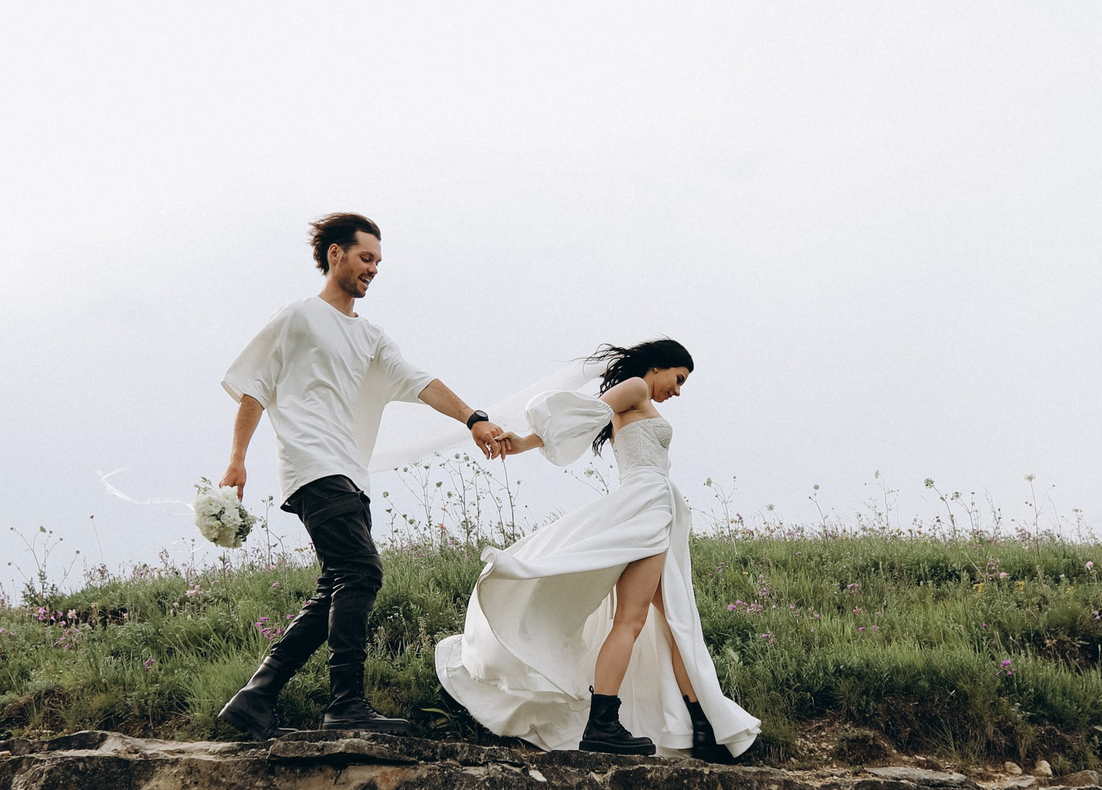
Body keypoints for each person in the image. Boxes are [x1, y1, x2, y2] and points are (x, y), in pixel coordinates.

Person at [216, 213, 511, 737]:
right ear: (335, 254)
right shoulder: (300, 316)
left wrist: (473, 418)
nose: (373, 269)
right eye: (365, 257)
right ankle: (345, 704)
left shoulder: (370, 336)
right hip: (312, 465)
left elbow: (419, 380)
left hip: (351, 473)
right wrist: (238, 458)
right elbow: (254, 387)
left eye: (377, 261)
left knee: (338, 583)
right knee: (361, 572)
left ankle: (255, 698)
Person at [434, 340, 760, 760]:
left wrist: (526, 443)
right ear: (658, 367)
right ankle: (603, 725)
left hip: (655, 508)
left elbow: (592, 415)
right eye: (678, 379)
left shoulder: (641, 399)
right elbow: (588, 412)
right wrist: (525, 442)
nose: (678, 391)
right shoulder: (637, 388)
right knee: (632, 620)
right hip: (645, 506)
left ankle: (702, 729)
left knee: (675, 623)